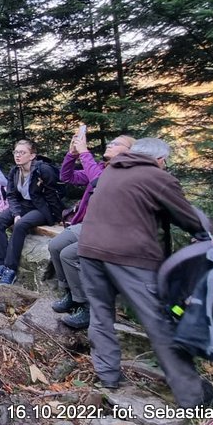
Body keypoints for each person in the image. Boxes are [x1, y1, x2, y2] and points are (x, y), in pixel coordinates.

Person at [78, 138, 213, 407]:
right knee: (159, 322)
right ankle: (192, 396)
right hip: (131, 257)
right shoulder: (157, 177)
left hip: (89, 250)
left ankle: (108, 376)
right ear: (160, 159)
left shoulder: (112, 171)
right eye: (166, 162)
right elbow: (186, 216)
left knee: (100, 315)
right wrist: (204, 234)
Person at [49, 130, 134, 329]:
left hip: (111, 230)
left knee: (69, 255)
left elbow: (101, 184)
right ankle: (70, 293)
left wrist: (85, 152)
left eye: (116, 143)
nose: (110, 144)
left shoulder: (126, 171)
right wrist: (72, 155)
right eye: (110, 142)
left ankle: (87, 306)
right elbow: (66, 177)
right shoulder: (102, 167)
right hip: (89, 224)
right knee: (55, 245)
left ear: (129, 151)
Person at [0, 139, 63, 285]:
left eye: (22, 152)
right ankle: (0, 264)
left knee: (20, 225)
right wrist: (16, 213)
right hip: (23, 205)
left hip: (42, 208)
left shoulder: (43, 170)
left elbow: (54, 194)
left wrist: (58, 216)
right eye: (16, 152)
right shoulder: (15, 171)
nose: (17, 155)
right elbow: (11, 195)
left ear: (32, 156)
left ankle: (10, 269)